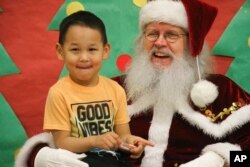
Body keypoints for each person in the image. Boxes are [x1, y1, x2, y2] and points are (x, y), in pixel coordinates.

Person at [15, 0, 250, 167]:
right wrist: (40, 157)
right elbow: (57, 139)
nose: (160, 43)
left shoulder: (223, 93)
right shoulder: (113, 89)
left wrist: (220, 160)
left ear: (192, 46)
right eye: (152, 33)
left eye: (171, 35)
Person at [15, 10, 153, 167]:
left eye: (92, 49)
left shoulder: (116, 90)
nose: (84, 57)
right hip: (77, 161)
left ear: (105, 50)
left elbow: (122, 136)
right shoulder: (59, 93)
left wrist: (131, 143)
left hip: (112, 160)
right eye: (75, 50)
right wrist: (95, 141)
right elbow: (62, 143)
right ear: (61, 52)